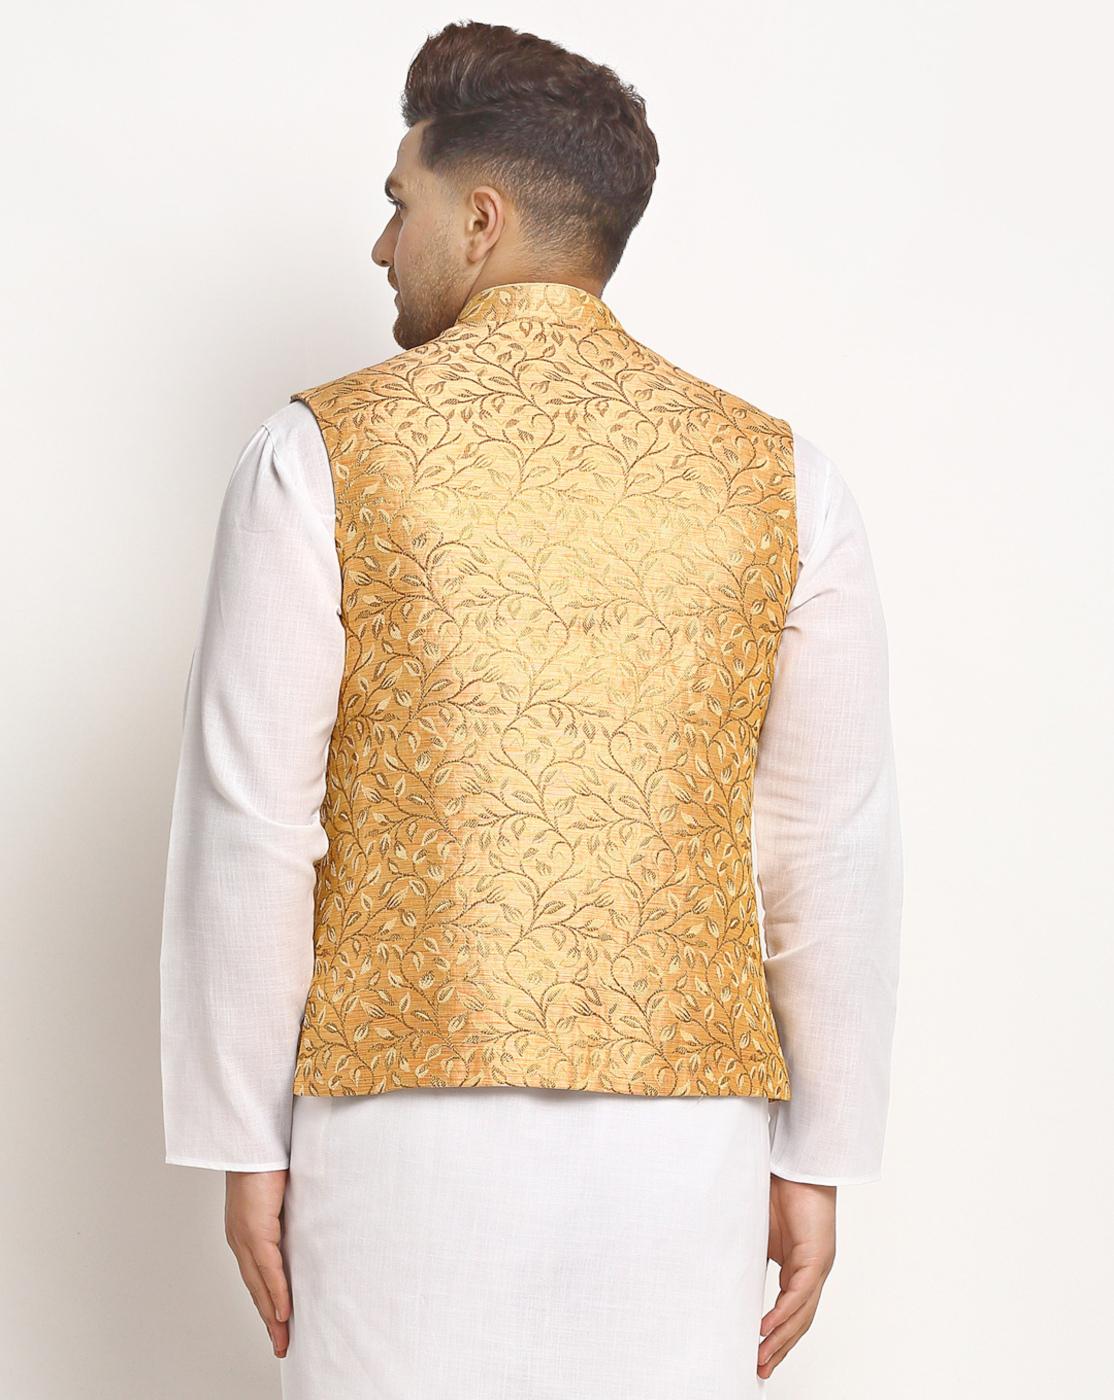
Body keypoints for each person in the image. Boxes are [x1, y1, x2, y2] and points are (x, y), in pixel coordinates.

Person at [159, 20, 902, 1399]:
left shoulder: (320, 451)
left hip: (394, 1128)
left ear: (481, 220)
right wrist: (818, 1154)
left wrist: (243, 1137)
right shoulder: (783, 476)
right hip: (689, 1143)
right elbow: (828, 839)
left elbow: (254, 816)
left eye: (401, 204)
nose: (382, 245)